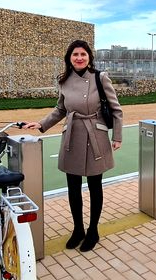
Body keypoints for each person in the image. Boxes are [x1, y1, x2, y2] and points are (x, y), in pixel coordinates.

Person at [24, 40, 122, 252]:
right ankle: (78, 229)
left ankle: (93, 230)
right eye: (75, 54)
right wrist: (41, 124)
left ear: (89, 57)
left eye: (83, 54)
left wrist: (118, 137)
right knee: (73, 187)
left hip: (96, 136)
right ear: (69, 58)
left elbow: (116, 109)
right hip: (72, 136)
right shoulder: (64, 81)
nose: (79, 58)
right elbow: (60, 109)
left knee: (95, 186)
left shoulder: (100, 78)